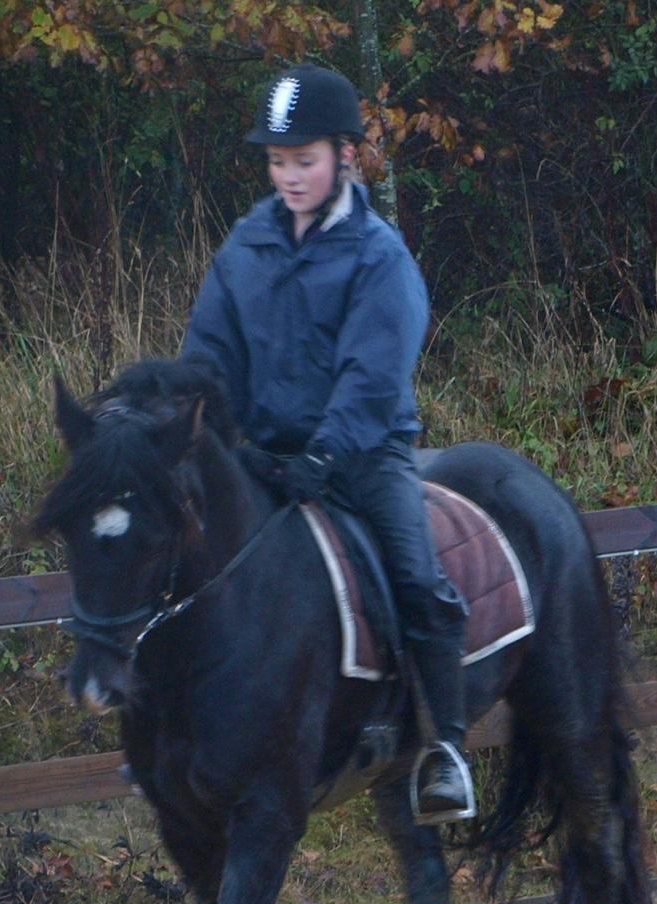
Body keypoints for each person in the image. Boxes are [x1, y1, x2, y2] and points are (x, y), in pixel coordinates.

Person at [178, 62, 475, 823]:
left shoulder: (380, 256)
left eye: (303, 160)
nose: (289, 176)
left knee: (415, 575)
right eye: (278, 161)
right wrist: (203, 429)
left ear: (345, 155)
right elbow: (211, 352)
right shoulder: (246, 245)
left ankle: (446, 748)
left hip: (363, 455)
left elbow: (373, 375)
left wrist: (326, 452)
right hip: (262, 455)